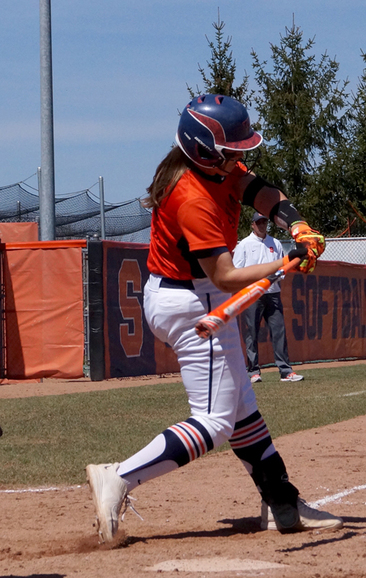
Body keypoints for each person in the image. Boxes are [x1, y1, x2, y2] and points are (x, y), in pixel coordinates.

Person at [84, 94, 342, 544]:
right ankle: (119, 476)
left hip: (192, 295)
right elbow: (224, 277)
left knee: (242, 407)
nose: (241, 156)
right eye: (233, 150)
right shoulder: (191, 195)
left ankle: (282, 503)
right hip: (192, 303)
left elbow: (264, 193)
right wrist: (286, 261)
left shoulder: (214, 168)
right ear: (206, 149)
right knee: (216, 421)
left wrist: (296, 226)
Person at [233, 212, 303, 383]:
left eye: (264, 222)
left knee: (279, 331)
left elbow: (282, 268)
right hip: (252, 294)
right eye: (258, 223)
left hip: (273, 293)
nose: (262, 225)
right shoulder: (244, 245)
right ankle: (253, 372)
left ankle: (286, 371)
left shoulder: (275, 243)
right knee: (252, 332)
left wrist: (277, 277)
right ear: (252, 225)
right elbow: (236, 270)